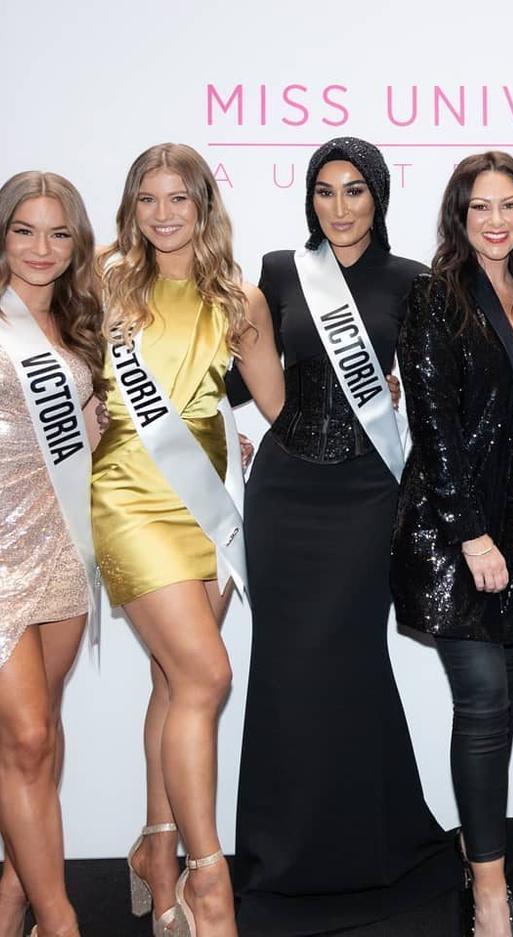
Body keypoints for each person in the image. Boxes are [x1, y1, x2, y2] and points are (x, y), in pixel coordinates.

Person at [226, 137, 464, 934]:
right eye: (325, 191)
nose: (339, 206)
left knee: (353, 664)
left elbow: (438, 386)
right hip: (285, 495)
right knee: (286, 670)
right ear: (309, 199)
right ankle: (277, 855)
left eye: (355, 191)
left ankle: (372, 845)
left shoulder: (415, 282)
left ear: (379, 197)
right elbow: (239, 372)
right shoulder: (277, 270)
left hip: (368, 495)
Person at [91, 143, 283, 937]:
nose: (163, 215)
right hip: (130, 497)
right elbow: (51, 364)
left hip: (208, 504)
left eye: (179, 199)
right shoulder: (102, 280)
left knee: (176, 684)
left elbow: (278, 403)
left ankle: (157, 851)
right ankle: (211, 879)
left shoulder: (239, 297)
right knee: (207, 674)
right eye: (148, 199)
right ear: (131, 208)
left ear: (205, 206)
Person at [391, 150, 513, 937]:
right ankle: (488, 887)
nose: (496, 222)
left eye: (510, 207)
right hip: (458, 533)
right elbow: (434, 424)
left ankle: (482, 849)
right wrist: (472, 534)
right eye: (480, 207)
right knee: (484, 701)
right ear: (459, 216)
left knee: (503, 698)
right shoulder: (436, 294)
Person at [0, 171, 106, 937]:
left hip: (62, 538)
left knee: (38, 735)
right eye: (25, 230)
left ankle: (11, 898)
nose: (42, 249)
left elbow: (97, 433)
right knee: (29, 734)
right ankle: (59, 917)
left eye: (58, 233)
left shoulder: (82, 327)